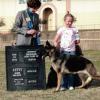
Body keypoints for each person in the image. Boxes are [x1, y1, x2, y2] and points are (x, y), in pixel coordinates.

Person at [53, 13, 80, 90]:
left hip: (72, 52)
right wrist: (56, 45)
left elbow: (78, 41)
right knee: (63, 70)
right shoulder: (61, 29)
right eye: (68, 21)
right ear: (64, 21)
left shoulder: (75, 29)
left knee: (71, 68)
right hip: (63, 52)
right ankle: (64, 85)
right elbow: (55, 40)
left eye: (71, 21)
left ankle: (70, 85)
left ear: (72, 21)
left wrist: (76, 41)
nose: (69, 23)